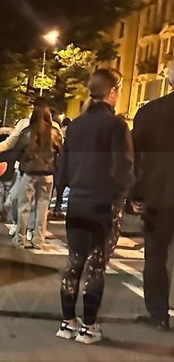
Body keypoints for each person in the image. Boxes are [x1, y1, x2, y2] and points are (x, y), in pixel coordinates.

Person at [55, 69, 134, 344]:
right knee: (96, 266)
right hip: (103, 206)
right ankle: (89, 328)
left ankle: (67, 324)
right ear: (112, 92)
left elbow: (62, 168)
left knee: (74, 263)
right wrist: (126, 196)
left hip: (77, 203)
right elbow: (123, 168)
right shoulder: (116, 126)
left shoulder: (75, 125)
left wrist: (60, 196)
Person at [131, 60, 174, 331]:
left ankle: (158, 314)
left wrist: (135, 193)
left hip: (159, 197)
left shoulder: (150, 112)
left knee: (156, 256)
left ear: (169, 79)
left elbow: (134, 157)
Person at [12, 104, 63, 250]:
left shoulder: (27, 132)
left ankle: (20, 239)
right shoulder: (54, 133)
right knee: (42, 207)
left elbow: (17, 150)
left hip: (29, 172)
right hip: (47, 174)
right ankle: (38, 240)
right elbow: (61, 151)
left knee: (24, 206)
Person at [0, 127, 19, 223]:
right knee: (9, 193)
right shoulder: (12, 146)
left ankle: (1, 210)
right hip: (10, 173)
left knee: (0, 194)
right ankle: (6, 208)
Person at [50, 117, 72, 219]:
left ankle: (57, 208)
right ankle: (53, 208)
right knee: (54, 188)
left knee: (60, 189)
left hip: (61, 167)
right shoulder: (58, 137)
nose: (65, 130)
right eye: (64, 127)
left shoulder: (69, 140)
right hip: (54, 166)